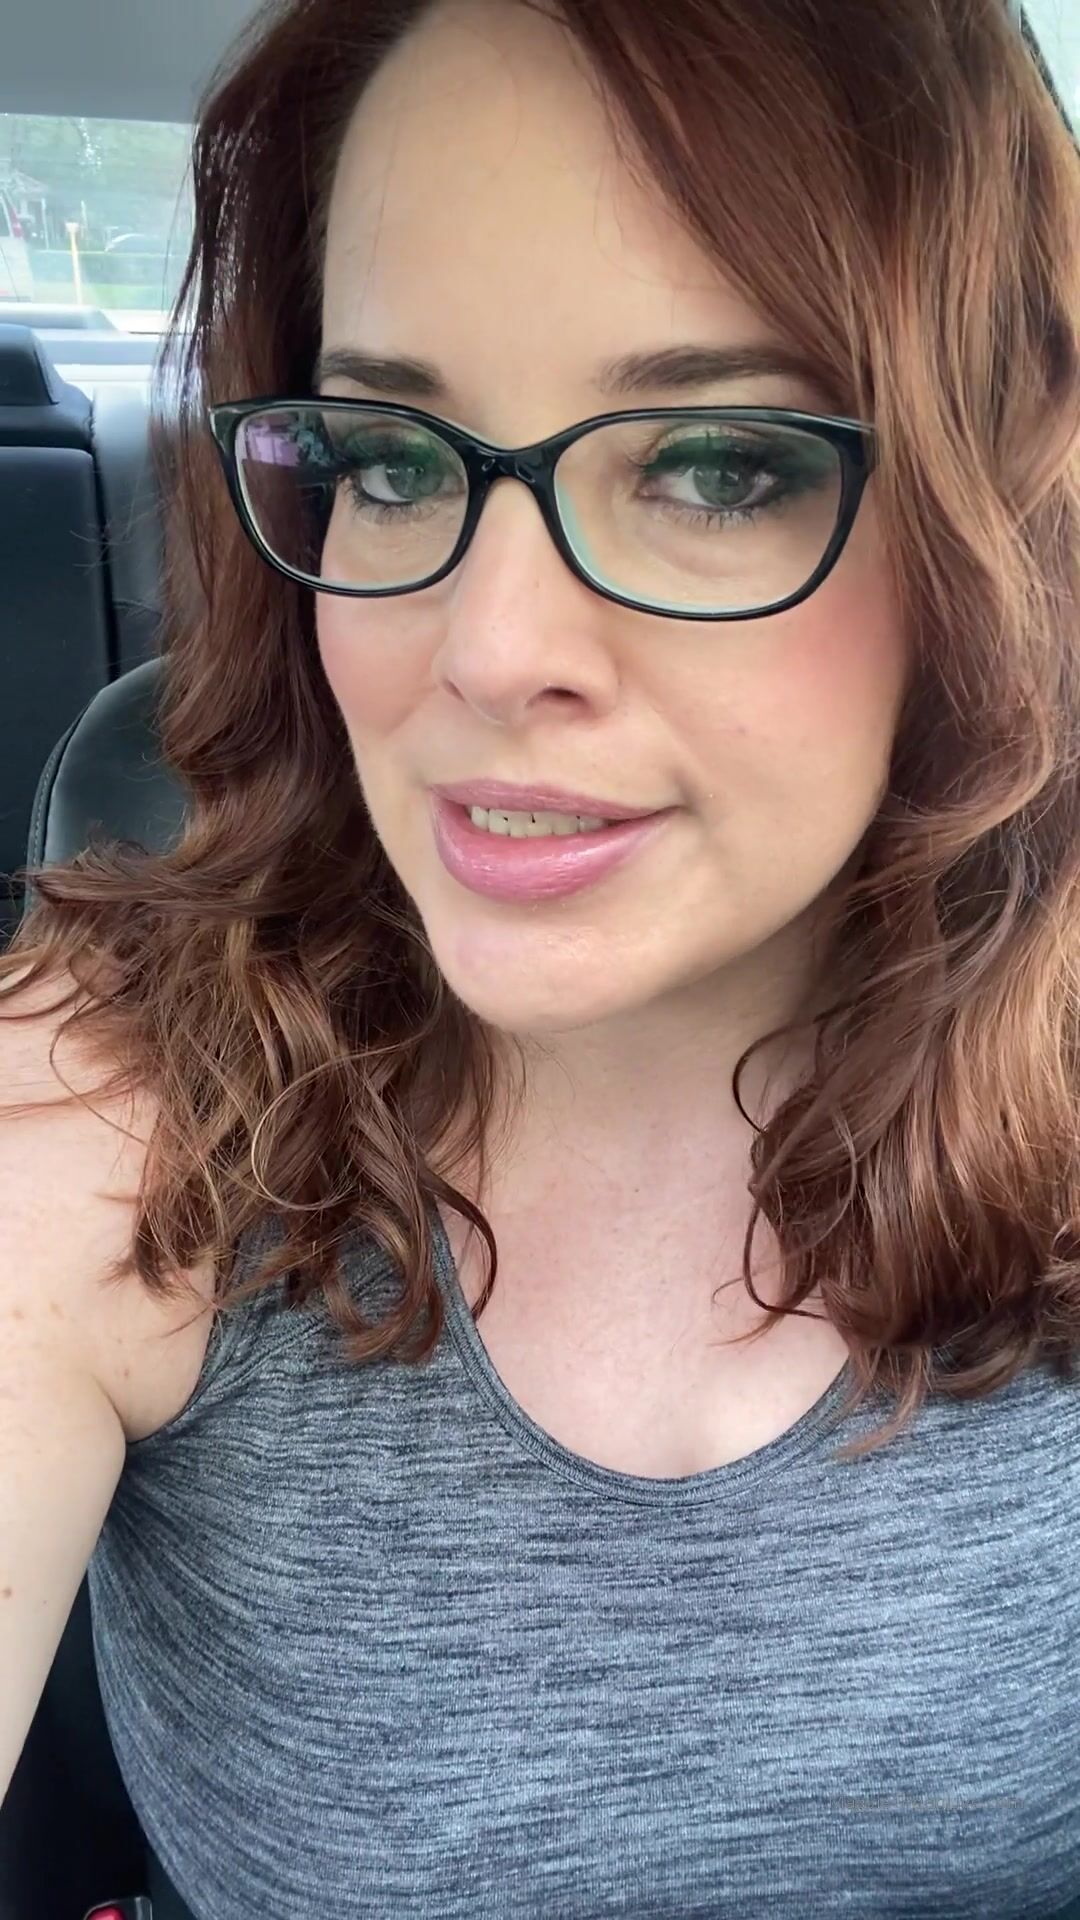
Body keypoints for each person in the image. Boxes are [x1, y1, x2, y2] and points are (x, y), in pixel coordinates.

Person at [2, 0, 1079, 1913]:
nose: (487, 651)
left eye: (718, 465)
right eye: (389, 458)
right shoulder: (103, 1103)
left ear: (991, 521)